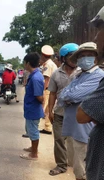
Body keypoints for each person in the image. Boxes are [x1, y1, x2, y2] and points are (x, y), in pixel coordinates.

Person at [58, 42, 104, 180]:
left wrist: (70, 97)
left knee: (83, 171)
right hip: (74, 129)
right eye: (82, 56)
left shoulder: (98, 76)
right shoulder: (79, 75)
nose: (86, 58)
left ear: (96, 58)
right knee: (77, 168)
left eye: (89, 55)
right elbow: (62, 96)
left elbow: (71, 95)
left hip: (85, 131)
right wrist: (70, 96)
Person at [76, 7, 104, 180]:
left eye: (100, 30)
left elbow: (82, 114)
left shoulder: (99, 75)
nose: (96, 37)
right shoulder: (78, 74)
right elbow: (67, 95)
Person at [47, 43, 79, 176]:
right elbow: (53, 94)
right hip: (60, 113)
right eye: (72, 56)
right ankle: (61, 165)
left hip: (78, 114)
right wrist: (50, 111)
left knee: (78, 141)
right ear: (64, 58)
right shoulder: (56, 74)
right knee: (59, 139)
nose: (75, 59)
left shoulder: (82, 72)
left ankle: (77, 164)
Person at [20, 52, 44, 161]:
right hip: (31, 109)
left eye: (25, 62)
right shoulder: (34, 75)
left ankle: (34, 154)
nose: (24, 65)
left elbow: (39, 96)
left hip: (33, 110)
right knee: (30, 130)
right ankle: (32, 148)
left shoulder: (36, 78)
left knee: (33, 131)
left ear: (28, 63)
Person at [39, 45, 58, 135]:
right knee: (48, 109)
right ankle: (48, 127)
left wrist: (42, 90)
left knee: (44, 108)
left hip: (48, 89)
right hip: (52, 89)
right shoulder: (52, 64)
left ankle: (45, 127)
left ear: (43, 55)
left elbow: (46, 79)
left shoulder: (48, 65)